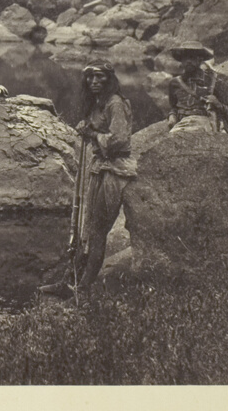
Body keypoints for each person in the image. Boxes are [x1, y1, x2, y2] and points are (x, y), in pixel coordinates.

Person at [41, 59, 137, 299]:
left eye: (100, 77)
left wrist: (92, 133)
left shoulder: (115, 103)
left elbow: (120, 140)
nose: (94, 82)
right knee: (82, 226)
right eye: (90, 77)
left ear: (110, 79)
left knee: (97, 231)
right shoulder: (97, 102)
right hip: (97, 167)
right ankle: (69, 280)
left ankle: (83, 288)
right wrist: (87, 128)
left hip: (115, 171)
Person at [167, 40, 228, 133]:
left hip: (207, 125)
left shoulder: (214, 81)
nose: (188, 61)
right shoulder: (175, 83)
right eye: (185, 58)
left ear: (200, 59)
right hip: (183, 124)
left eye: (192, 58)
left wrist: (217, 103)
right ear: (181, 61)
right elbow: (173, 107)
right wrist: (172, 116)